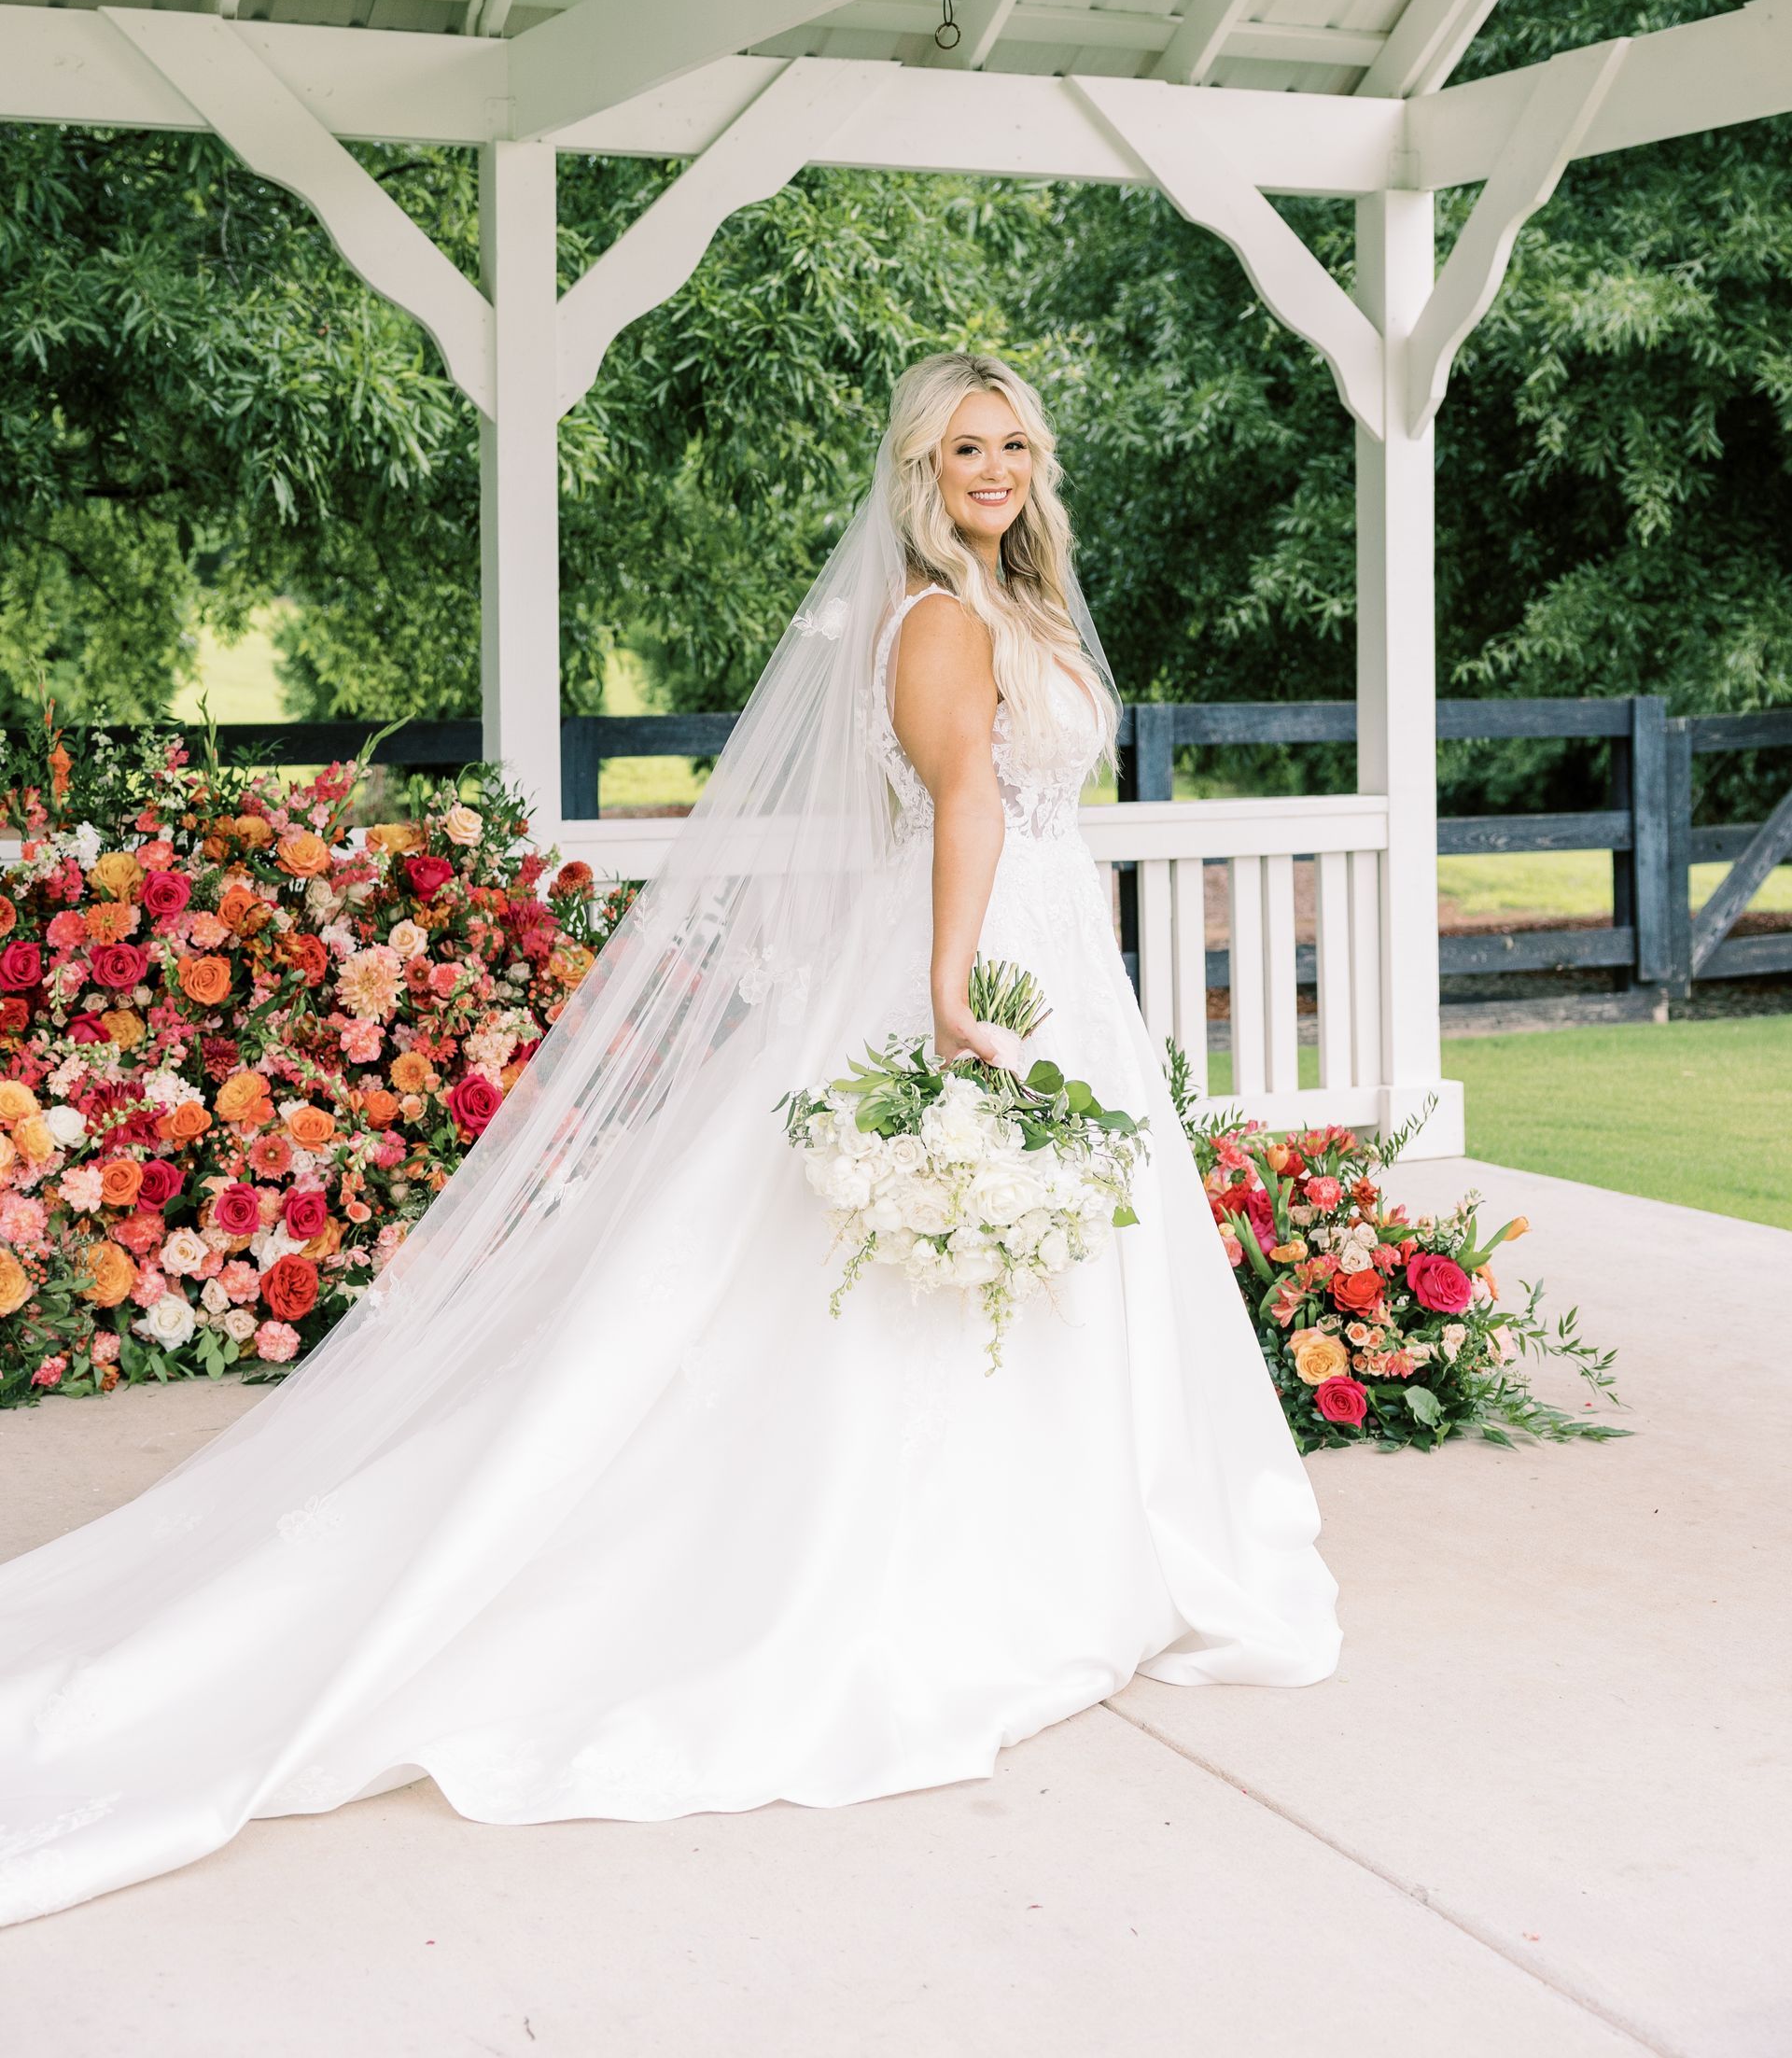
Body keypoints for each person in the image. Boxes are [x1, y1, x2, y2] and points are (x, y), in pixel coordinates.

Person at [0, 350, 1337, 1926]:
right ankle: (905, 1572)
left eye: (1017, 443)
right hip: (977, 963)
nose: (998, 467)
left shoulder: (1012, 604)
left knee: (1028, 1264)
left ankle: (1063, 1541)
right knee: (895, 1267)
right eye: (967, 446)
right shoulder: (937, 618)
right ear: (919, 469)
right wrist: (955, 994)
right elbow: (964, 797)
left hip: (1046, 955)